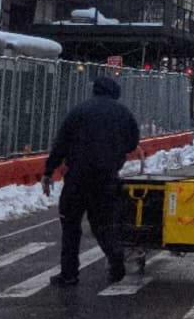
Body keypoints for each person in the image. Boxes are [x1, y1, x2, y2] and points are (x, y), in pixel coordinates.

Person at [42, 74, 140, 288]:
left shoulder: (78, 112)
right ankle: (116, 259)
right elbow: (133, 142)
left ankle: (69, 274)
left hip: (77, 178)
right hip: (106, 178)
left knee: (71, 225)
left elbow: (61, 143)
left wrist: (48, 171)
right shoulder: (123, 113)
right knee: (103, 224)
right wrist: (115, 154)